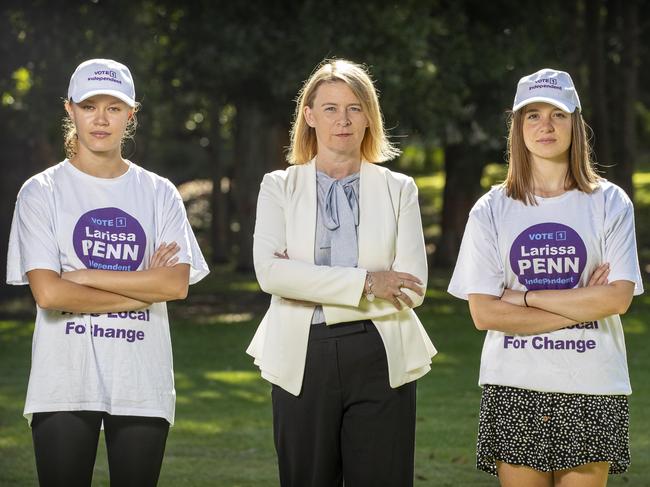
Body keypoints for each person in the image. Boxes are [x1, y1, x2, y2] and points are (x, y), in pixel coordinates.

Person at [6, 58, 209, 487]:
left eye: (114, 108)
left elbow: (175, 283)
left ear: (130, 114)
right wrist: (143, 292)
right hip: (63, 380)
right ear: (70, 110)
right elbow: (49, 294)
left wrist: (81, 276)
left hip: (141, 380)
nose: (101, 119)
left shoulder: (159, 193)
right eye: (89, 106)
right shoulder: (41, 192)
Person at [448, 68, 643, 486]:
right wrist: (580, 300)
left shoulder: (609, 203)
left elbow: (616, 299)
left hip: (593, 383)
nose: (545, 126)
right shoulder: (491, 209)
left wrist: (522, 298)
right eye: (532, 115)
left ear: (576, 121)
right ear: (517, 128)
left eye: (557, 114)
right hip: (515, 384)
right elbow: (484, 313)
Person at [246, 58, 437, 487]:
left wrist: (304, 277)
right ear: (309, 117)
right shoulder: (279, 187)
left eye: (354, 107)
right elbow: (271, 275)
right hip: (302, 350)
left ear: (369, 117)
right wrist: (368, 281)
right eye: (330, 108)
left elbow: (411, 289)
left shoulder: (398, 189)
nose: (343, 120)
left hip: (381, 352)